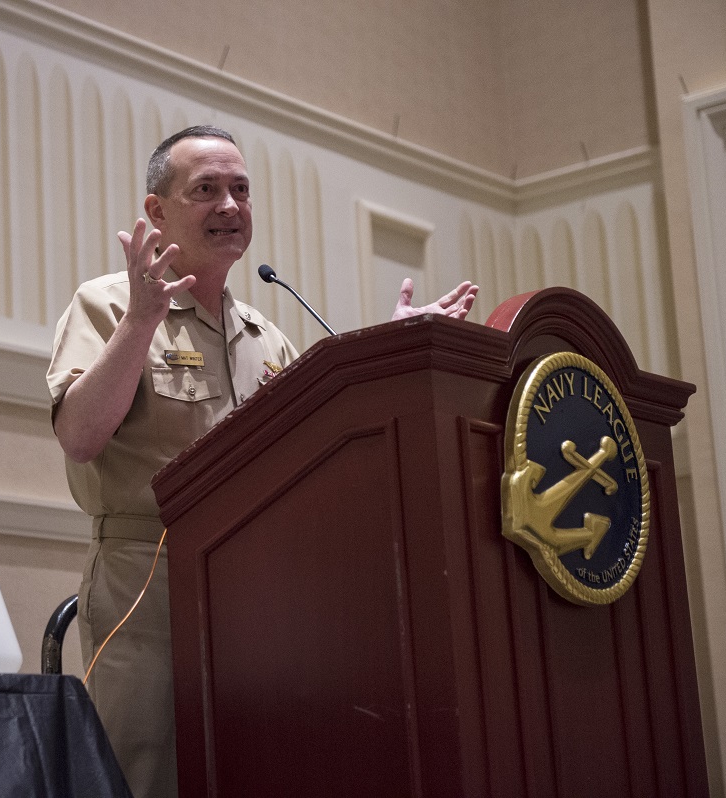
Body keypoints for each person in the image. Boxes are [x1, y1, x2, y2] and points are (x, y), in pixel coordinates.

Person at [46, 126, 476, 798]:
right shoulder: (108, 304)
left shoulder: (266, 334)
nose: (229, 205)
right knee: (147, 774)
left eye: (241, 190)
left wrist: (383, 356)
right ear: (157, 212)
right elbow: (79, 437)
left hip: (260, 597)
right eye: (207, 190)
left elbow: (315, 454)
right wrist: (139, 325)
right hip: (146, 587)